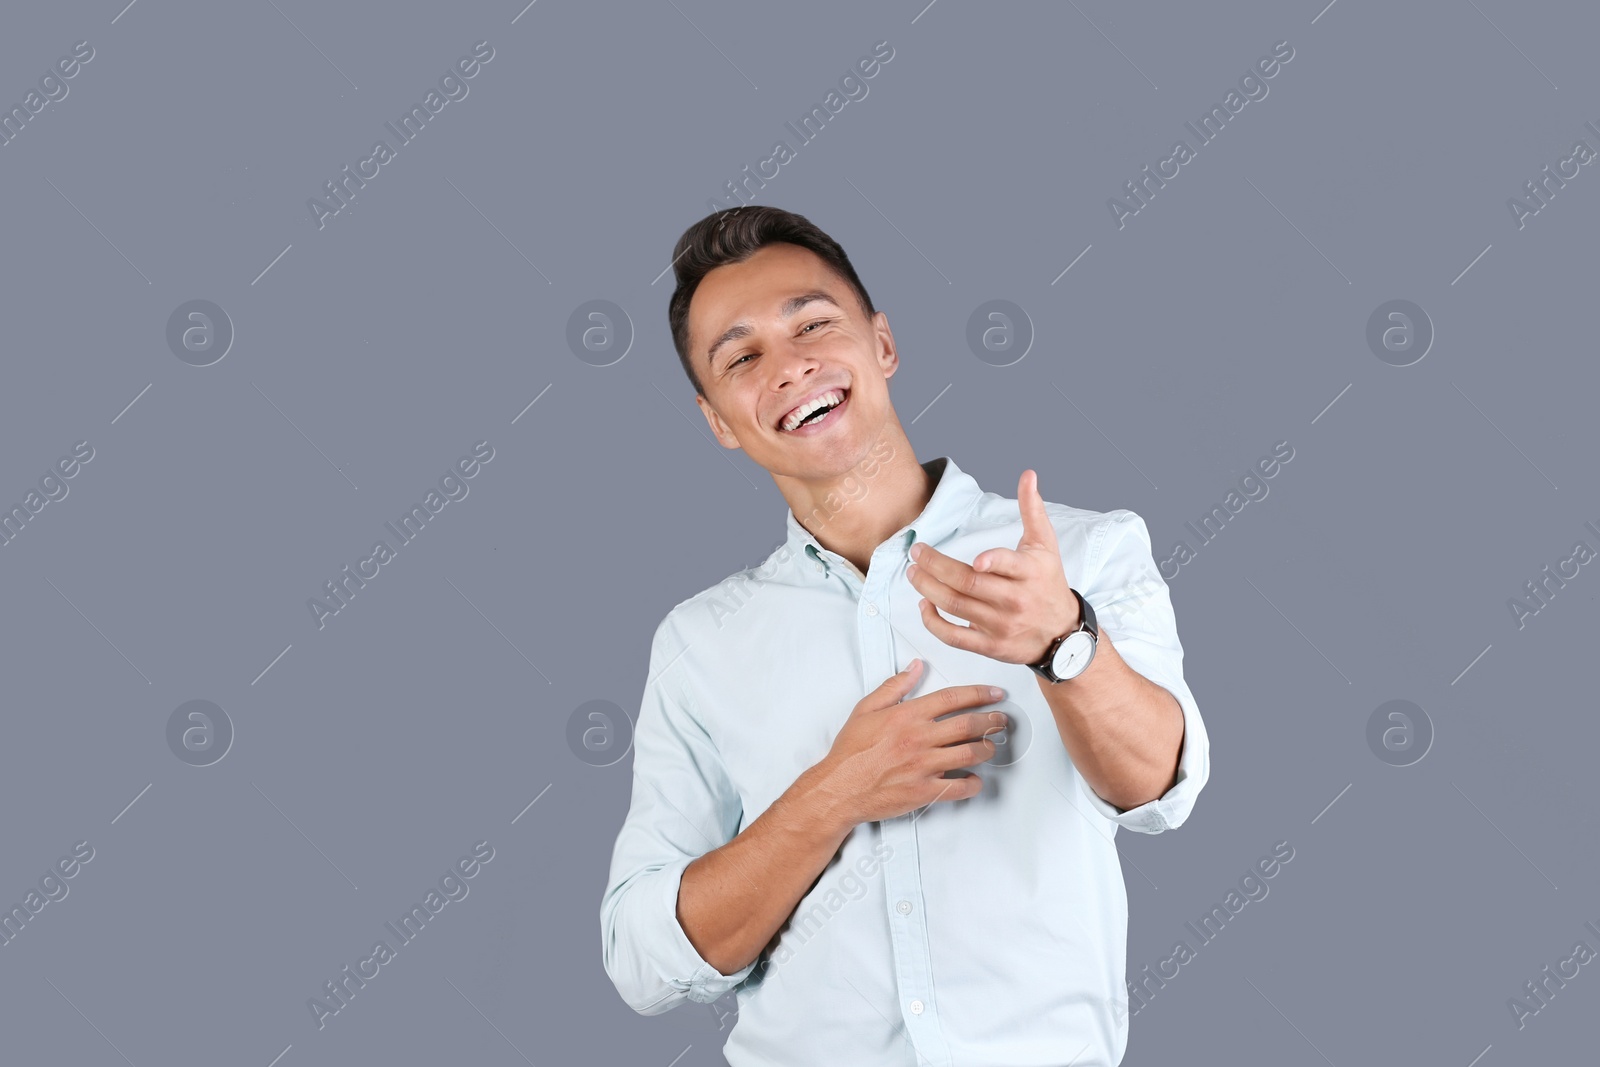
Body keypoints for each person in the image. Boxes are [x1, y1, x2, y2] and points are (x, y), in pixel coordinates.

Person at [600, 205, 1210, 1067]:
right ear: (719, 421)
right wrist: (836, 792)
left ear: (883, 344)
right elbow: (642, 958)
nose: (791, 366)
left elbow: (1162, 790)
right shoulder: (702, 643)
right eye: (742, 357)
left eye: (812, 323)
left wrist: (1064, 643)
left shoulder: (1080, 553)